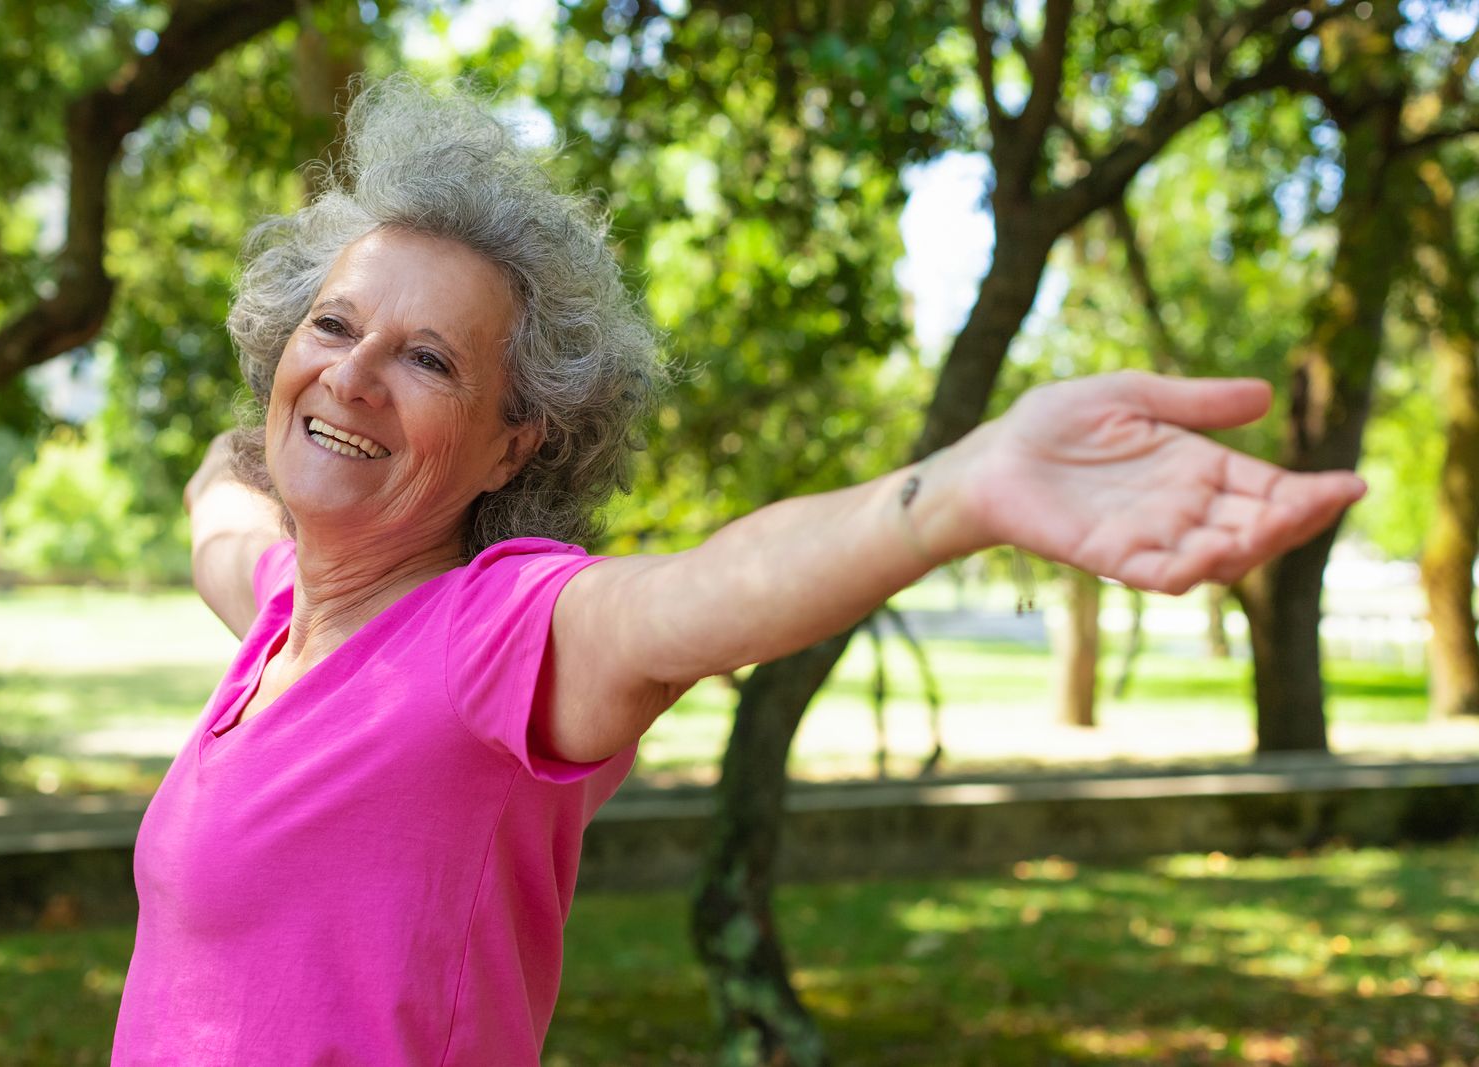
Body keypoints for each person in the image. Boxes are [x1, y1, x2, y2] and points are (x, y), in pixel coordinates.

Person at [111, 77, 1365, 1066]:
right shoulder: (280, 614)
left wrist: (962, 490)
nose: (352, 370)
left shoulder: (490, 638)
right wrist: (249, 452)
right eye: (332, 326)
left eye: (428, 360)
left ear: (514, 441)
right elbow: (221, 511)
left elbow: (696, 597)